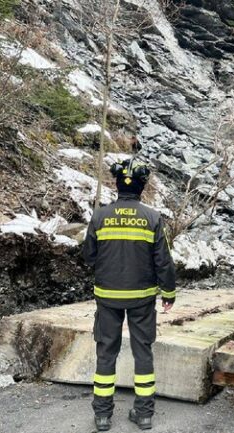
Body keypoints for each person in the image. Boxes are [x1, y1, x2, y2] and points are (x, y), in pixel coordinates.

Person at [83, 158, 176, 431]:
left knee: (106, 352)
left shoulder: (99, 216)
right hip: (142, 299)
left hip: (107, 297)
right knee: (142, 352)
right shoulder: (152, 218)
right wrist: (169, 293)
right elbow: (164, 261)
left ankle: (102, 416)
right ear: (142, 187)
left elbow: (88, 257)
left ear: (117, 185)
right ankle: (144, 414)